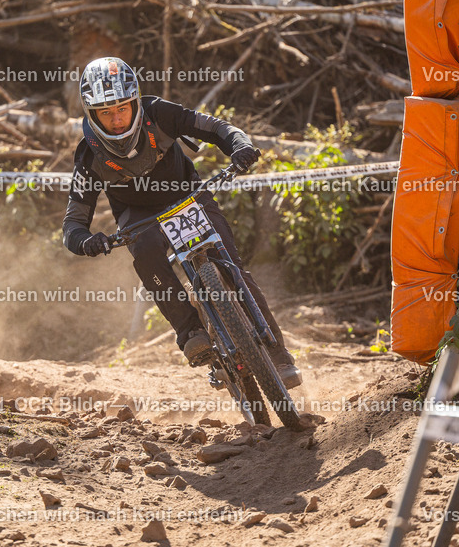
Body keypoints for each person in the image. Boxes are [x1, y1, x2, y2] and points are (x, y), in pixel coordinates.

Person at [61, 57, 302, 388]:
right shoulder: (88, 156)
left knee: (232, 267)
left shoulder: (158, 112)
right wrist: (87, 241)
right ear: (92, 114)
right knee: (145, 253)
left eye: (122, 109)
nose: (117, 120)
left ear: (135, 103)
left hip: (187, 195)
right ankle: (191, 332)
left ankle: (278, 354)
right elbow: (73, 223)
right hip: (139, 216)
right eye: (106, 112)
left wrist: (239, 146)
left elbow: (217, 128)